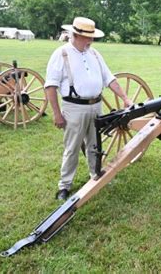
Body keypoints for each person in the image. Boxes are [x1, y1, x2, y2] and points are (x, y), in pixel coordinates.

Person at [45, 17, 133, 200]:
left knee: (95, 144)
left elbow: (110, 78)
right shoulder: (61, 54)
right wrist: (56, 114)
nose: (90, 41)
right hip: (73, 109)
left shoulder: (94, 54)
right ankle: (65, 185)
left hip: (96, 106)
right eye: (87, 37)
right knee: (72, 148)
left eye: (92, 37)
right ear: (75, 35)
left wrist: (125, 98)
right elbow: (50, 86)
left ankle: (96, 175)